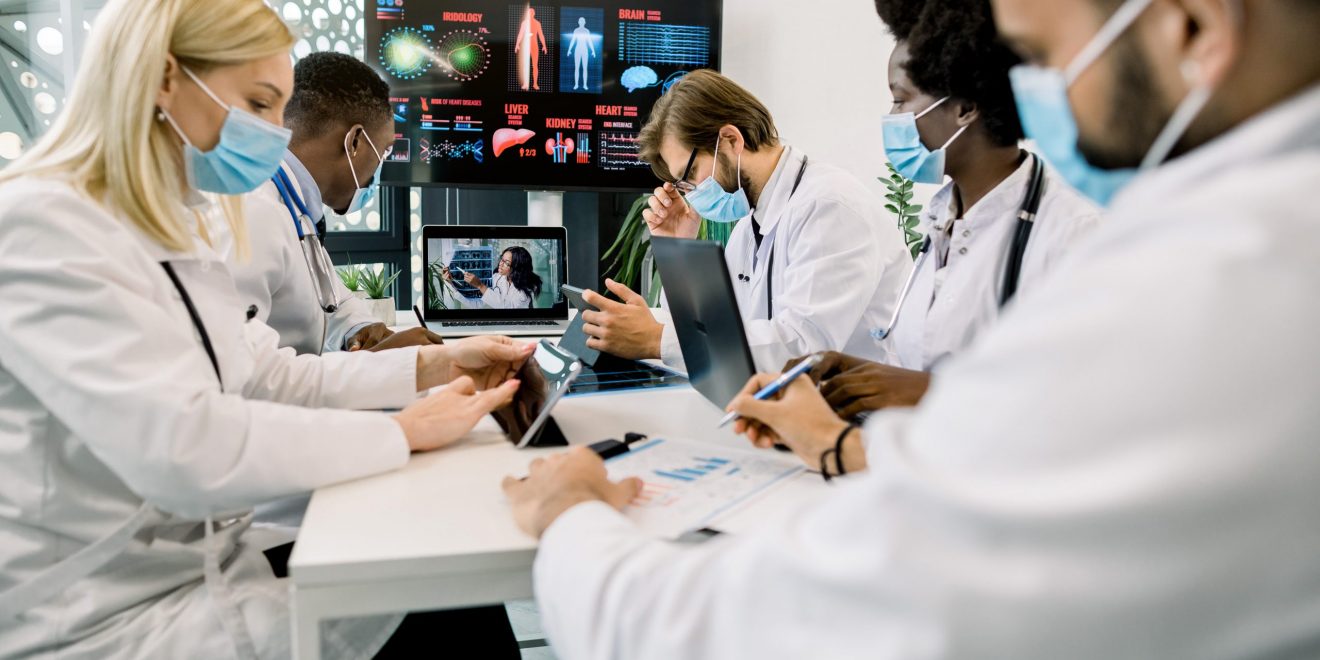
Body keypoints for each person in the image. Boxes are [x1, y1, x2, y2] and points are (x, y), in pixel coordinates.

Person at [503, 0, 1320, 657]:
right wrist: (914, 404)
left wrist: (573, 517)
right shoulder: (1231, 248)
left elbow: (774, 625)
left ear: (1195, 25)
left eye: (1037, 58)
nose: (1020, 94)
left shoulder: (1223, 281)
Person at [0, 1, 529, 657]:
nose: (276, 135)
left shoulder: (170, 227)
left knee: (450, 583)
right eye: (258, 102)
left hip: (203, 562)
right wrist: (397, 432)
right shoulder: (40, 224)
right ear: (164, 79)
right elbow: (183, 448)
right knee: (445, 601)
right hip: (102, 611)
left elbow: (268, 372)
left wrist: (436, 367)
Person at [789, 0, 1103, 417]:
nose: (891, 117)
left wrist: (927, 391)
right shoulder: (944, 219)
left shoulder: (1070, 235)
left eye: (900, 101)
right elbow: (920, 363)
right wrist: (857, 376)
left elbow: (1076, 403)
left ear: (965, 109)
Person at [580, 69, 913, 371]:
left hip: (857, 420)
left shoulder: (829, 206)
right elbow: (714, 329)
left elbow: (804, 347)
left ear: (731, 140)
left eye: (690, 174)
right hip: (787, 405)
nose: (691, 192)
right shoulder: (751, 223)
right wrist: (679, 248)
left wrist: (656, 341)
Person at [221, 51, 440, 355]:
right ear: (355, 142)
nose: (379, 168)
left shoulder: (299, 213)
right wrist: (384, 365)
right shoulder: (256, 211)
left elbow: (333, 300)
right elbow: (248, 372)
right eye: (384, 151)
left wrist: (362, 329)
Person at [444, 246, 544, 309]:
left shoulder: (527, 287)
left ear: (518, 267)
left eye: (506, 263)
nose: (500, 264)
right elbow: (477, 305)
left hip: (519, 328)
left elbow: (508, 309)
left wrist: (480, 285)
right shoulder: (497, 278)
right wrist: (452, 284)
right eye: (502, 259)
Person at [515, 7, 548, 91]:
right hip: (526, 46)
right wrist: (517, 44)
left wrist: (544, 45)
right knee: (526, 65)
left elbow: (541, 35)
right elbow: (520, 34)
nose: (530, 14)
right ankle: (525, 84)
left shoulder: (537, 23)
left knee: (535, 66)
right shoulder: (524, 23)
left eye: (531, 12)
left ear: (534, 14)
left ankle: (535, 84)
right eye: (528, 12)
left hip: (534, 46)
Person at [568, 16, 597, 90]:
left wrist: (593, 50)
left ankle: (585, 85)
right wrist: (569, 50)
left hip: (584, 50)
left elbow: (590, 41)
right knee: (577, 68)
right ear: (578, 22)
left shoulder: (587, 31)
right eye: (580, 21)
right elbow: (573, 40)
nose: (581, 22)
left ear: (585, 22)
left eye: (583, 21)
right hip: (577, 50)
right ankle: (576, 84)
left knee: (585, 68)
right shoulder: (576, 30)